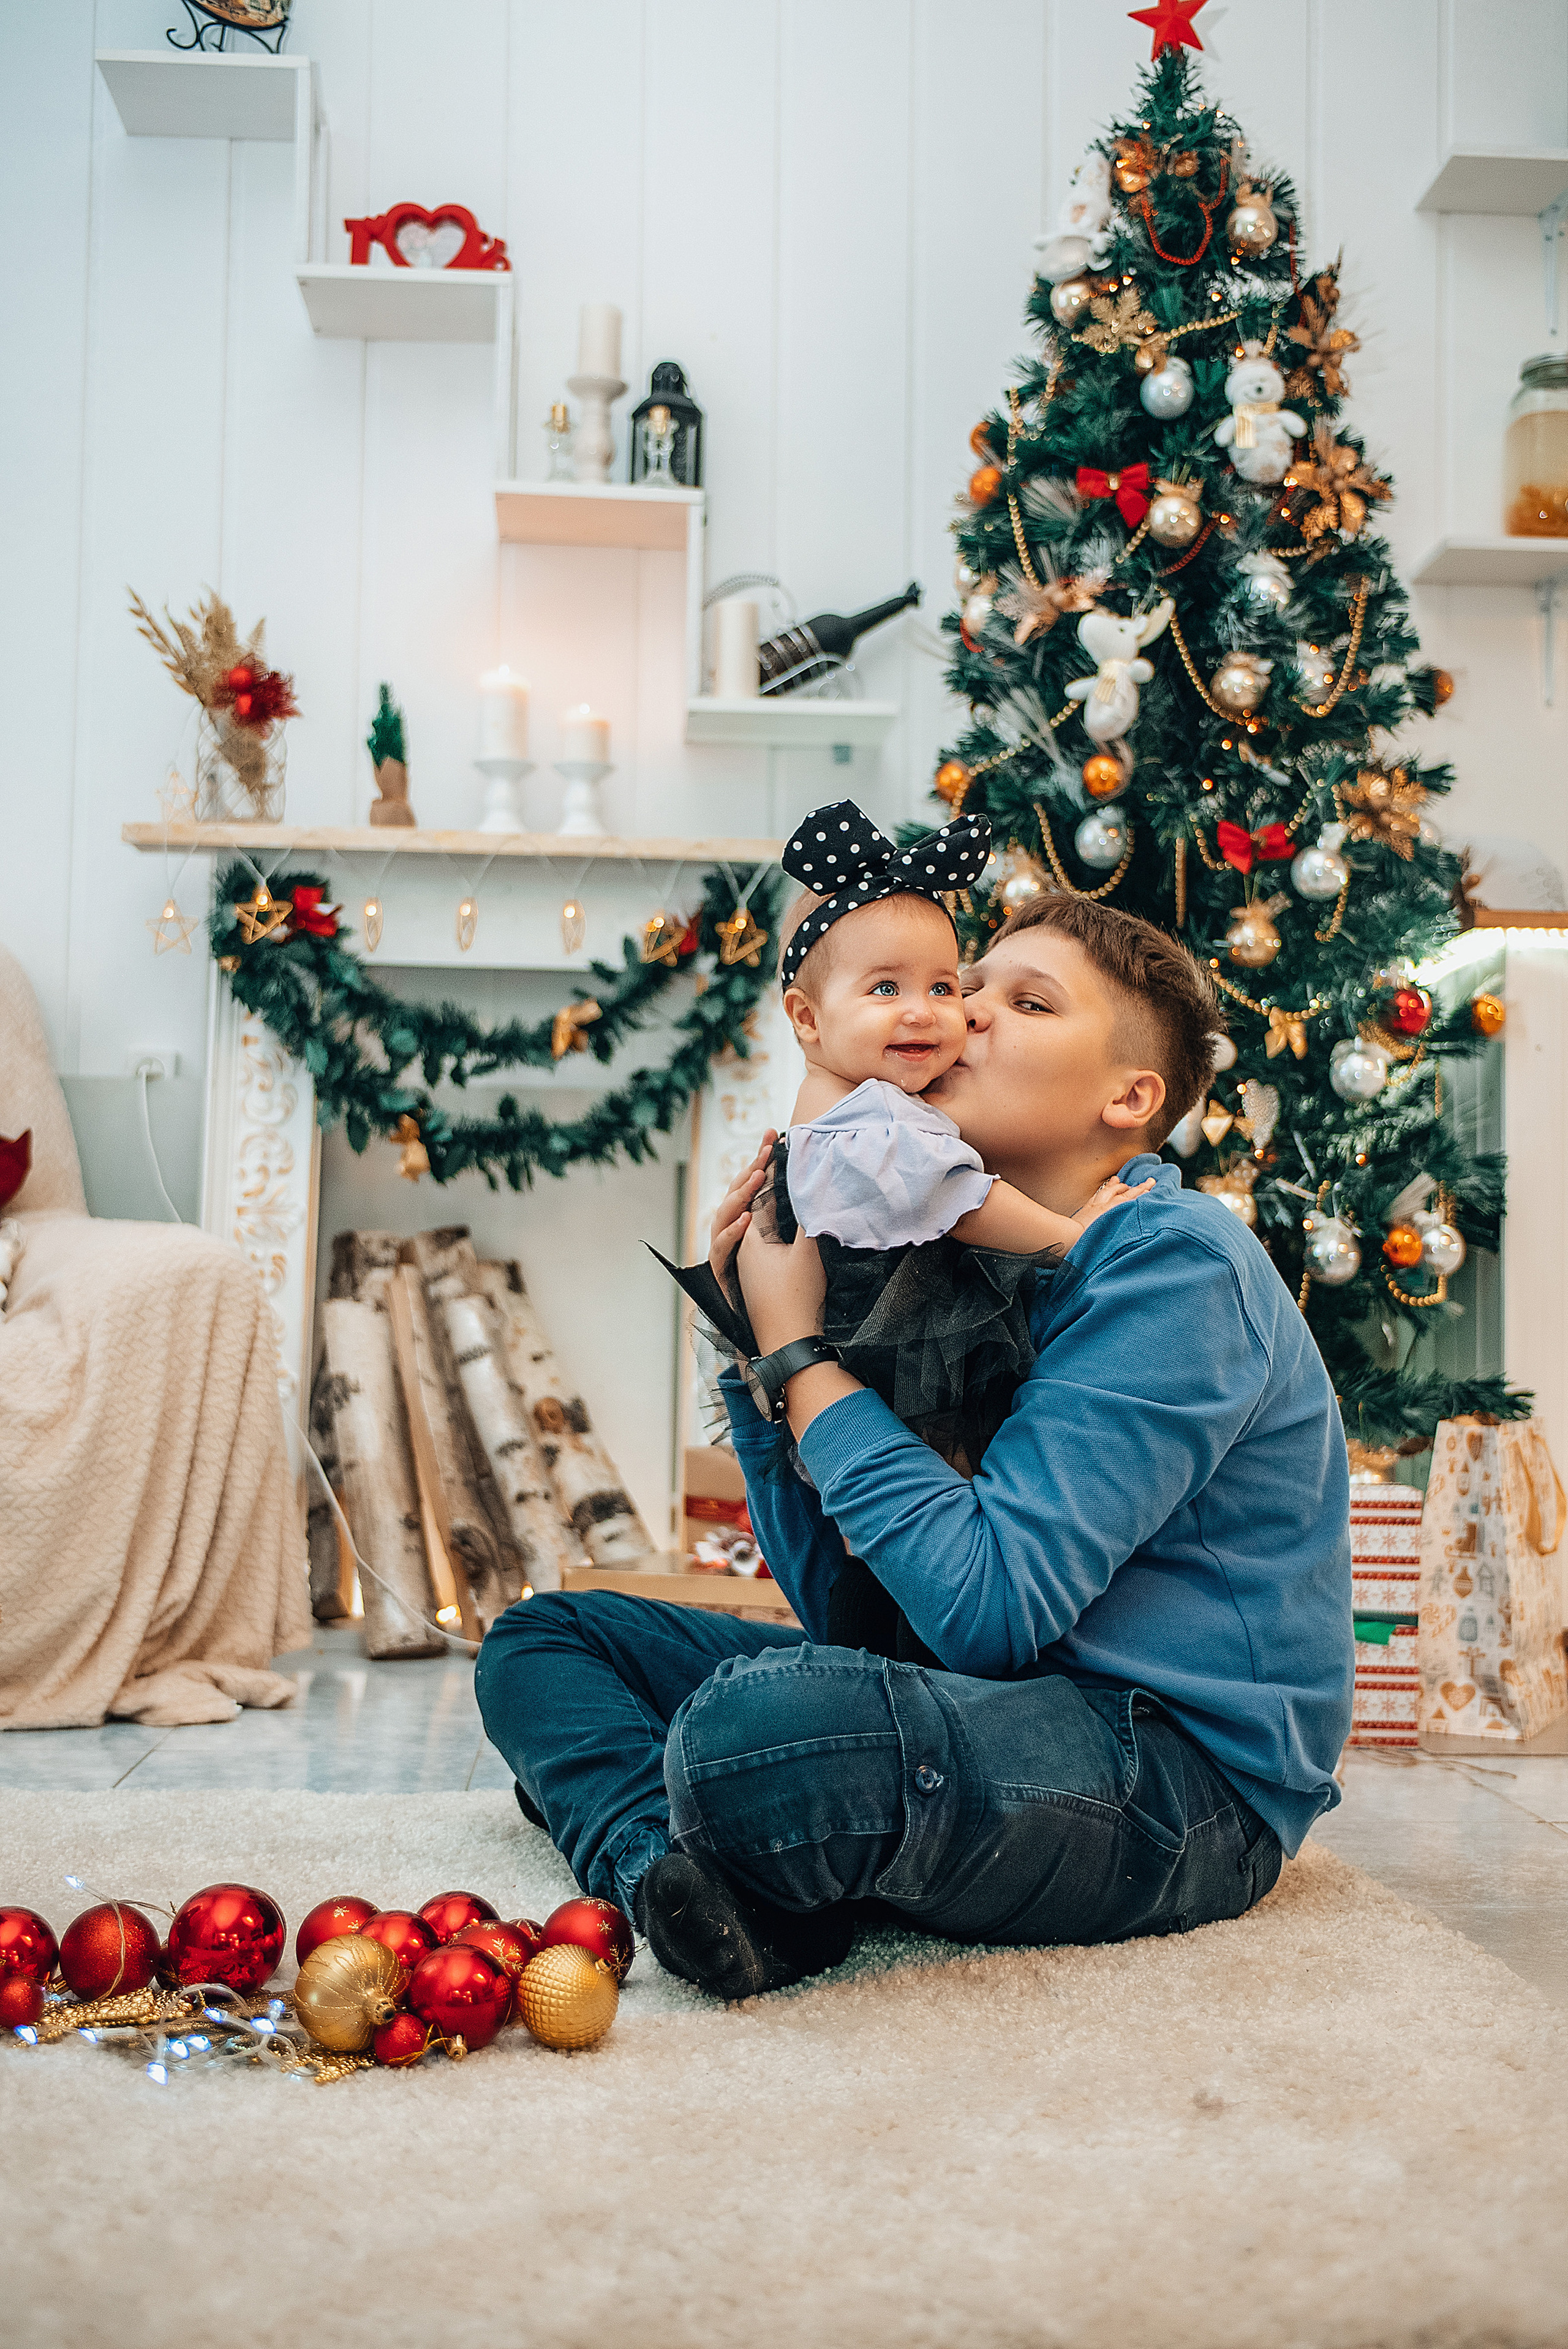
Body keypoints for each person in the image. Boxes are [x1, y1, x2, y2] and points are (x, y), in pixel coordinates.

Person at [475, 891, 1354, 2002]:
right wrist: (755, 1342)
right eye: (964, 985)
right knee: (547, 1641)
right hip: (977, 1703)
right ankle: (671, 1876)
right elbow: (848, 1614)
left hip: (1179, 1780)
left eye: (1024, 1002)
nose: (962, 1015)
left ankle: (669, 1820)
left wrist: (802, 1357)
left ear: (1130, 1098)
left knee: (754, 1735)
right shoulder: (937, 1251)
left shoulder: (1174, 1260)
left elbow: (988, 1613)